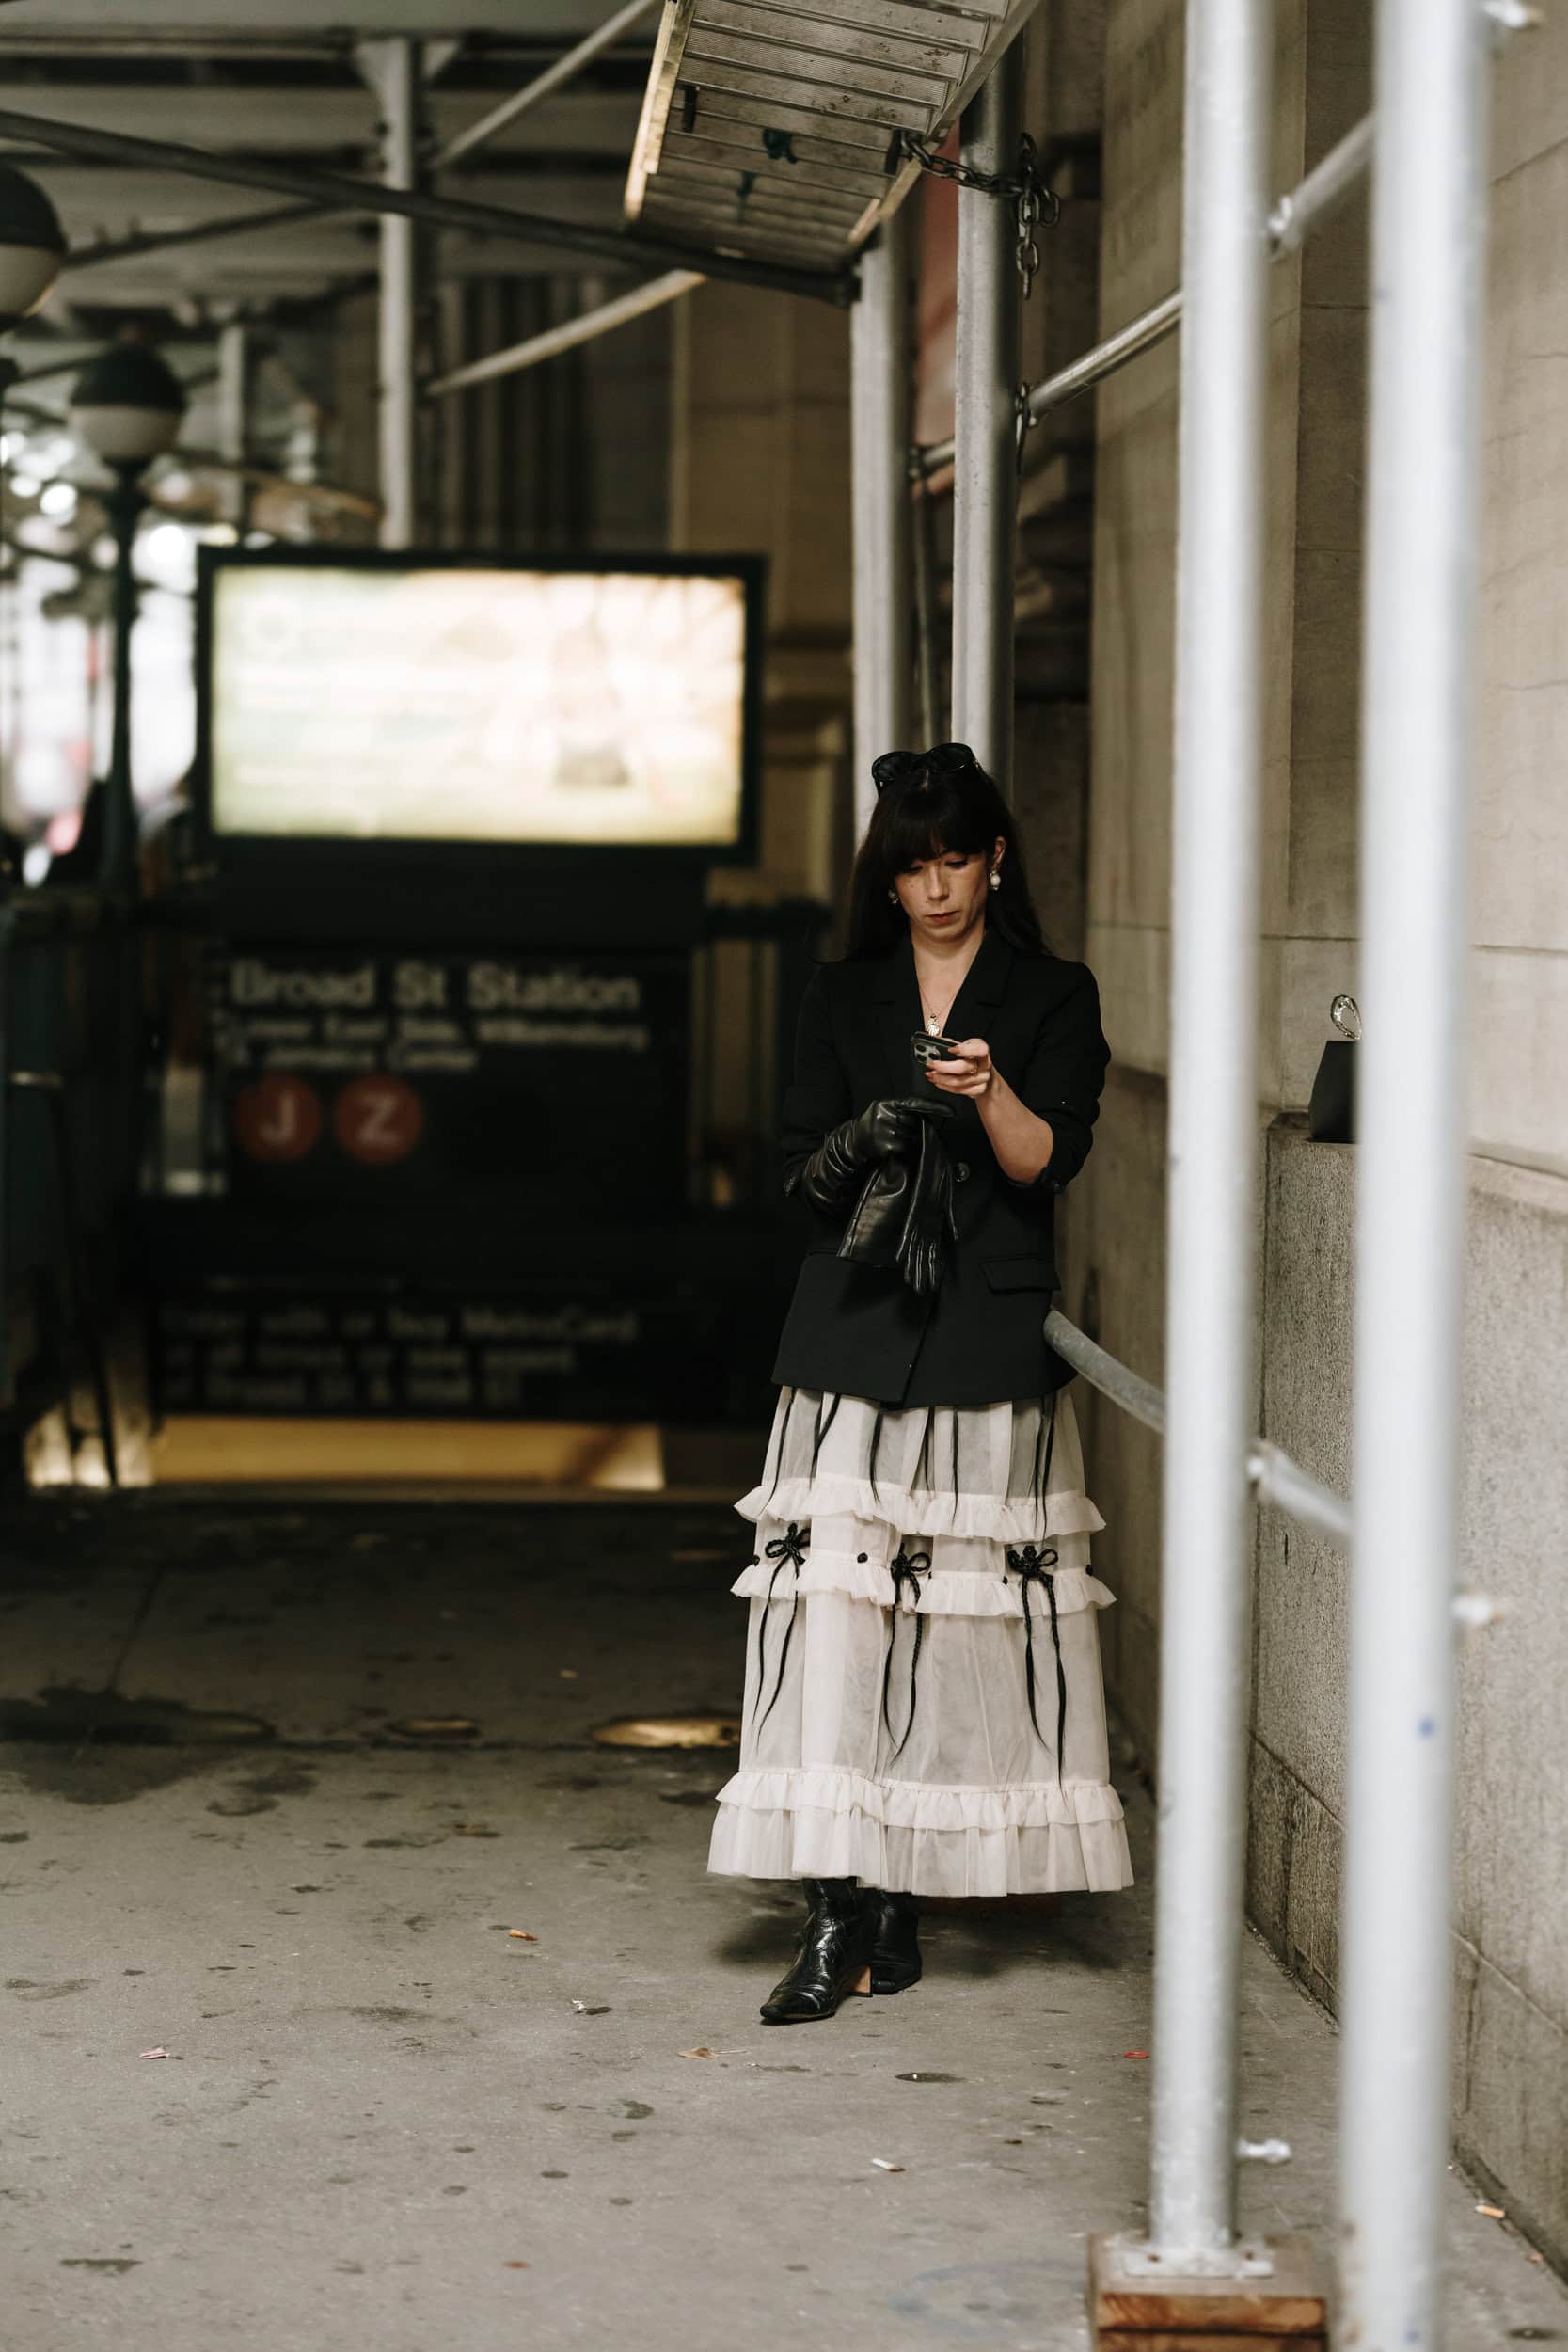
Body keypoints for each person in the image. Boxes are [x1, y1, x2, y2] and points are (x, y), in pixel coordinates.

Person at [708, 742, 1133, 2023]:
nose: (936, 888)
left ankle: (899, 1901)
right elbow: (797, 1175)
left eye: (955, 860)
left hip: (980, 1344)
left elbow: (1046, 1161)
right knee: (832, 1625)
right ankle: (838, 1913)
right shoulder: (841, 995)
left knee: (950, 1630)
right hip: (848, 1334)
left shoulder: (1054, 993)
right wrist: (858, 1136)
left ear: (997, 859)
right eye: (912, 868)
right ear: (885, 881)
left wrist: (988, 1084)